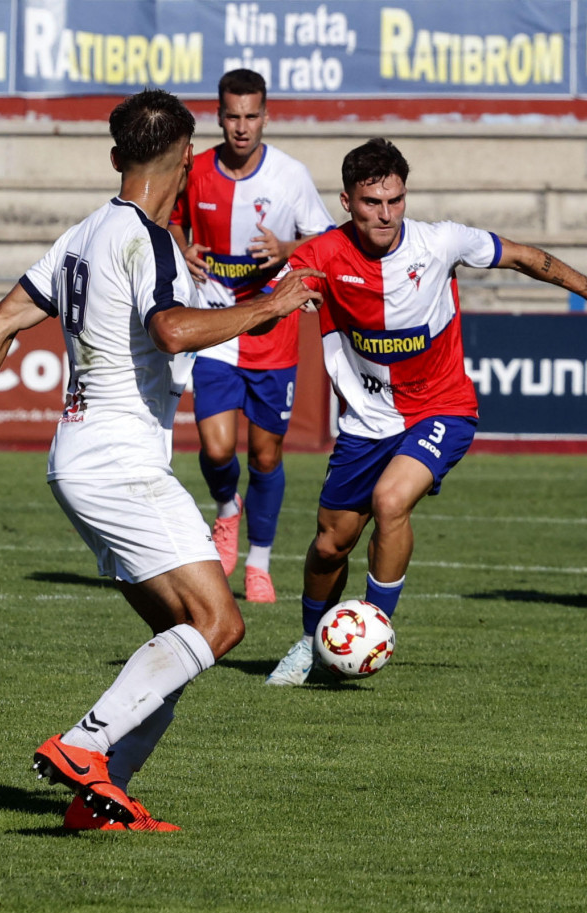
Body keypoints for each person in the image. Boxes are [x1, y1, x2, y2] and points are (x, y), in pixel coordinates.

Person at [0, 89, 322, 830]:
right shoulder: (145, 241)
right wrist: (269, 307)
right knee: (220, 626)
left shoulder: (85, 233)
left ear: (116, 157)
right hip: (121, 463)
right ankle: (85, 746)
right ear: (188, 156)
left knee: (181, 639)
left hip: (77, 461)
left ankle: (99, 799)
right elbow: (174, 331)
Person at [265, 137, 587, 687]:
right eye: (373, 202)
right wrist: (269, 307)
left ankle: (370, 632)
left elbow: (523, 256)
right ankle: (309, 641)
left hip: (443, 407)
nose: (387, 213)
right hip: (367, 421)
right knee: (330, 544)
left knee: (390, 500)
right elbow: (276, 301)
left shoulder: (439, 242)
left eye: (395, 200)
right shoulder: (322, 255)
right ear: (347, 202)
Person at [168, 69, 335, 603]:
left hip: (272, 327)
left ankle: (258, 564)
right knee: (217, 448)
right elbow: (170, 220)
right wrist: (182, 246)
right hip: (215, 324)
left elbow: (327, 238)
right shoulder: (194, 171)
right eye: (233, 116)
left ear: (266, 116)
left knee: (265, 455)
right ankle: (226, 512)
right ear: (219, 117)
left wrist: (287, 251)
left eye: (252, 116)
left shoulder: (290, 175)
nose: (242, 127)